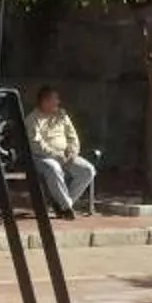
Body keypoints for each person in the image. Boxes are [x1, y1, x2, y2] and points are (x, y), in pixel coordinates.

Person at [27, 85, 95, 216]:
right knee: (53, 167)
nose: (58, 102)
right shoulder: (33, 119)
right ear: (45, 101)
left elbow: (72, 136)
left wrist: (73, 151)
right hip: (41, 157)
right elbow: (36, 145)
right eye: (55, 99)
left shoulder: (62, 115)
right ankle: (66, 207)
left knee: (88, 170)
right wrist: (57, 156)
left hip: (66, 155)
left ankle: (61, 204)